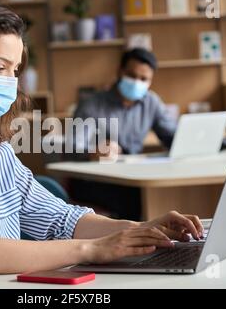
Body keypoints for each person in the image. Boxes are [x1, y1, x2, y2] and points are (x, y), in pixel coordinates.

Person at [0, 1, 203, 288]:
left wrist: (144, 230)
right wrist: (93, 249)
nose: (9, 83)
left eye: (14, 71)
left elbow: (61, 219)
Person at [68, 48, 178, 220]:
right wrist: (92, 152)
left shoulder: (151, 102)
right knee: (136, 198)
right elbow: (73, 147)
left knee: (167, 192)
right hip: (98, 180)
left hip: (133, 177)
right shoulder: (92, 104)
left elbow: (172, 136)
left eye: (144, 79)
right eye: (132, 75)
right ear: (120, 71)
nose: (137, 82)